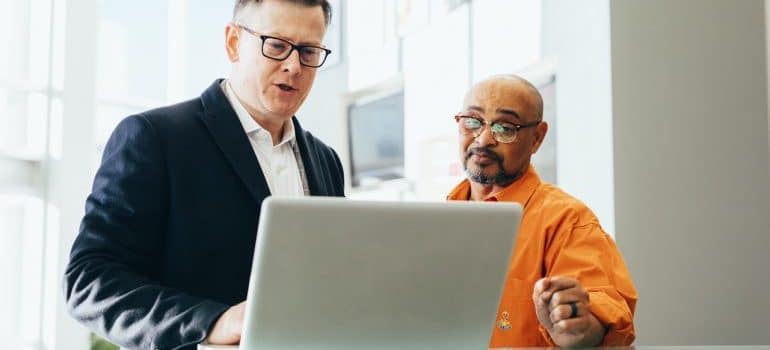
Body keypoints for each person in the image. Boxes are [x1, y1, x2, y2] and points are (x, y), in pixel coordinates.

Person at [63, 1, 343, 349]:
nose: (293, 66)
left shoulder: (326, 161)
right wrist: (213, 322)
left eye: (309, 51)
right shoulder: (154, 137)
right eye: (276, 45)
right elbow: (89, 282)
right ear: (233, 42)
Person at [446, 74, 638, 347]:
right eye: (472, 122)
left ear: (537, 137)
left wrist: (578, 329)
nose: (484, 139)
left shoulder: (567, 219)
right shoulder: (441, 219)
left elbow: (601, 311)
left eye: (505, 128)